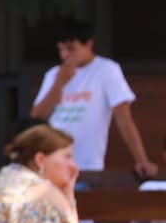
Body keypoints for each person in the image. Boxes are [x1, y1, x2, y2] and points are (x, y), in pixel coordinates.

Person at [30, 20, 155, 184]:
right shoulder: (53, 74)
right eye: (61, 49)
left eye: (71, 48)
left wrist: (141, 160)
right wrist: (59, 83)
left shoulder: (106, 70)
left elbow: (124, 118)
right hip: (51, 166)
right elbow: (36, 119)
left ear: (89, 44)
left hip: (87, 166)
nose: (65, 55)